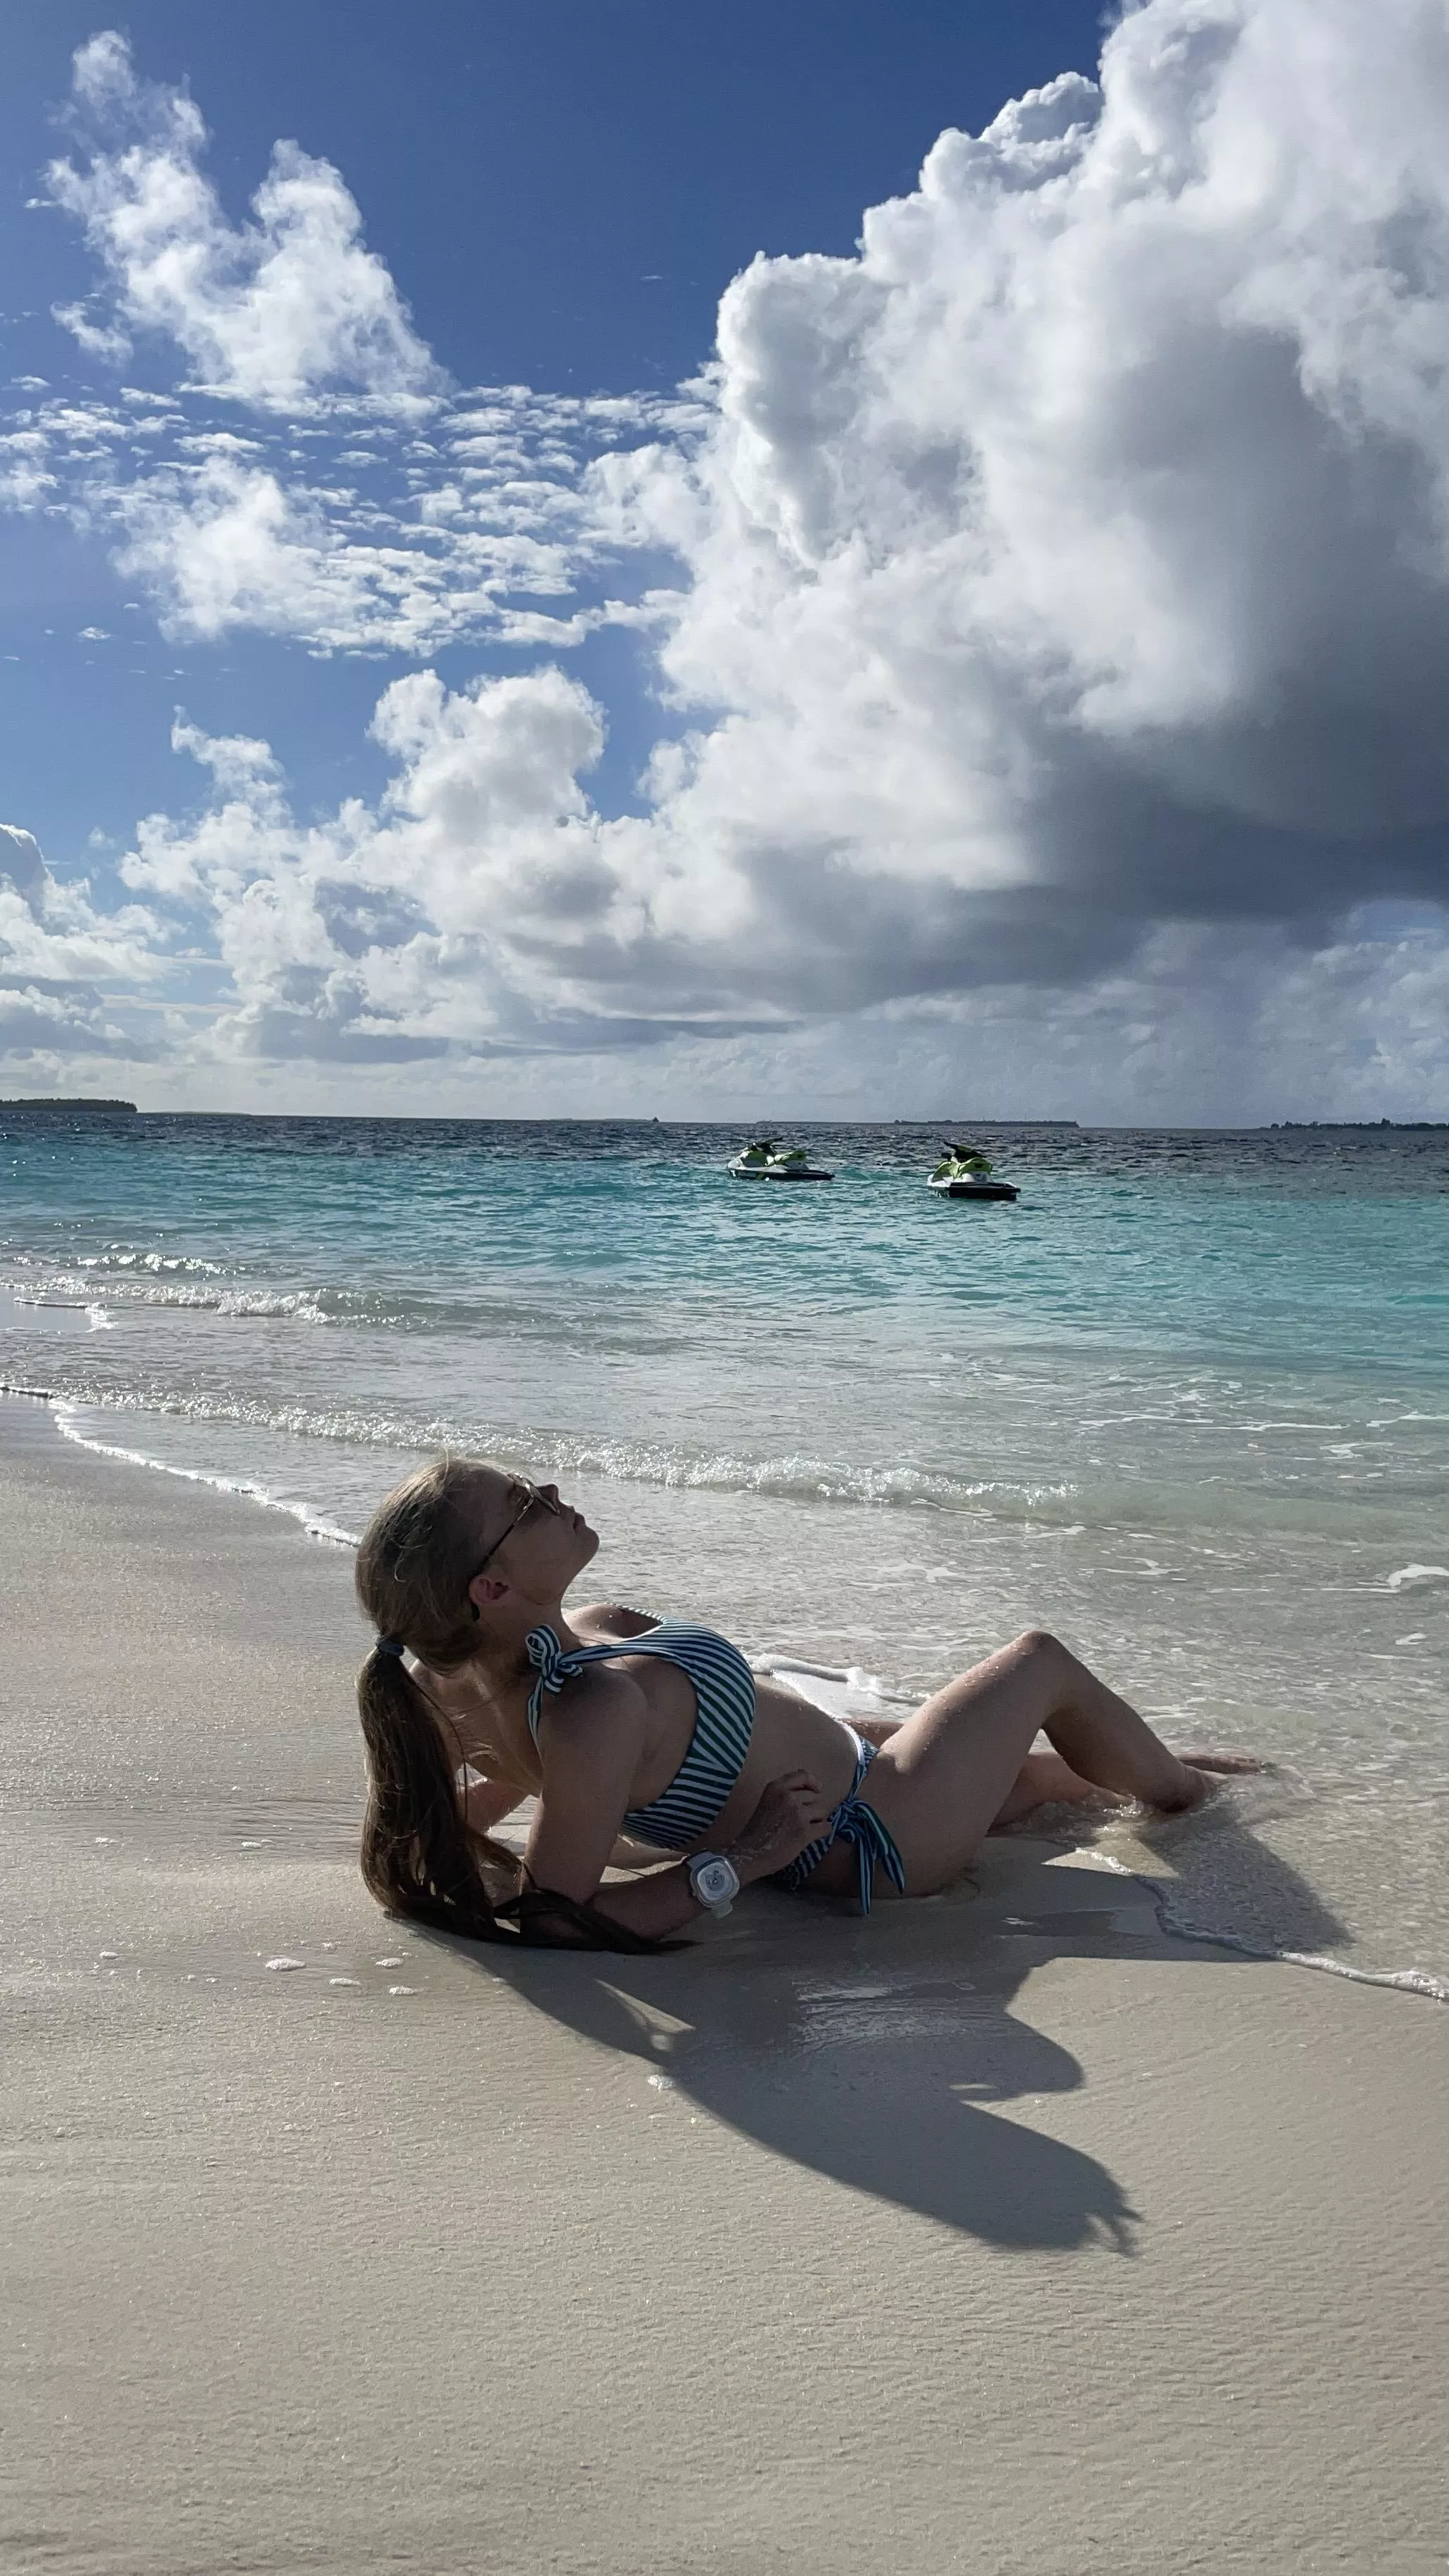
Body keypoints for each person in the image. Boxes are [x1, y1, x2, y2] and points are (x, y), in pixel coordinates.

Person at [355, 1457, 1258, 1951]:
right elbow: (560, 1918)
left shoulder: (503, 1674)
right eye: (522, 1503)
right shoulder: (585, 1709)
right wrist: (744, 1861)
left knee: (1063, 1788)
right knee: (1038, 1664)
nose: (550, 1492)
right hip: (867, 1835)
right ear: (492, 1589)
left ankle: (1200, 1784)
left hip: (856, 1772)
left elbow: (501, 1791)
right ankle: (1202, 1807)